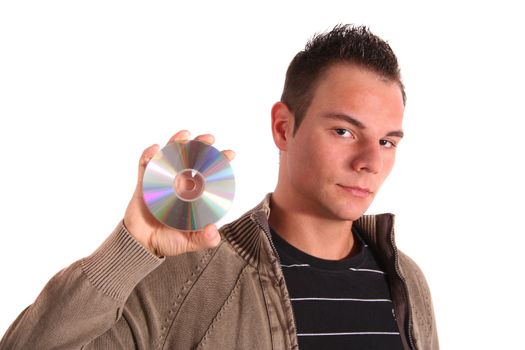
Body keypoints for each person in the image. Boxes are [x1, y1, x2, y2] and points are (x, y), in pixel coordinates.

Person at [0, 24, 438, 350]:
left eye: (386, 141)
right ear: (283, 128)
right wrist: (128, 249)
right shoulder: (190, 279)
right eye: (344, 131)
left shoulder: (407, 282)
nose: (369, 162)